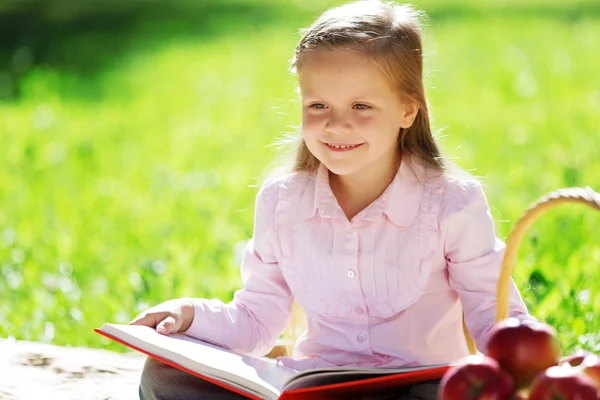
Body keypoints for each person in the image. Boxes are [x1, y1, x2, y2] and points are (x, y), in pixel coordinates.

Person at [133, 1, 536, 398]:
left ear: (407, 110)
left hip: (416, 387)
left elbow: (494, 318)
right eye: (318, 105)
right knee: (163, 377)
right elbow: (255, 322)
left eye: (361, 106)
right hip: (314, 385)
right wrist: (188, 314)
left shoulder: (451, 202)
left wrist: (530, 367)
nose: (336, 124)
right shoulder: (282, 202)